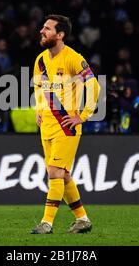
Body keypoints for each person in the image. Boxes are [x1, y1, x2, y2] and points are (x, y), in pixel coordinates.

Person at [31, 15, 100, 234]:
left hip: (66, 126)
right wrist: (39, 109)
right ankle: (83, 220)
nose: (42, 31)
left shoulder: (73, 58)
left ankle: (47, 223)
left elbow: (94, 85)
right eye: (43, 27)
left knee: (54, 172)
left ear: (60, 35)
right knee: (64, 175)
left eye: (47, 28)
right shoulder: (41, 60)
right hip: (47, 126)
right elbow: (39, 88)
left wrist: (84, 115)